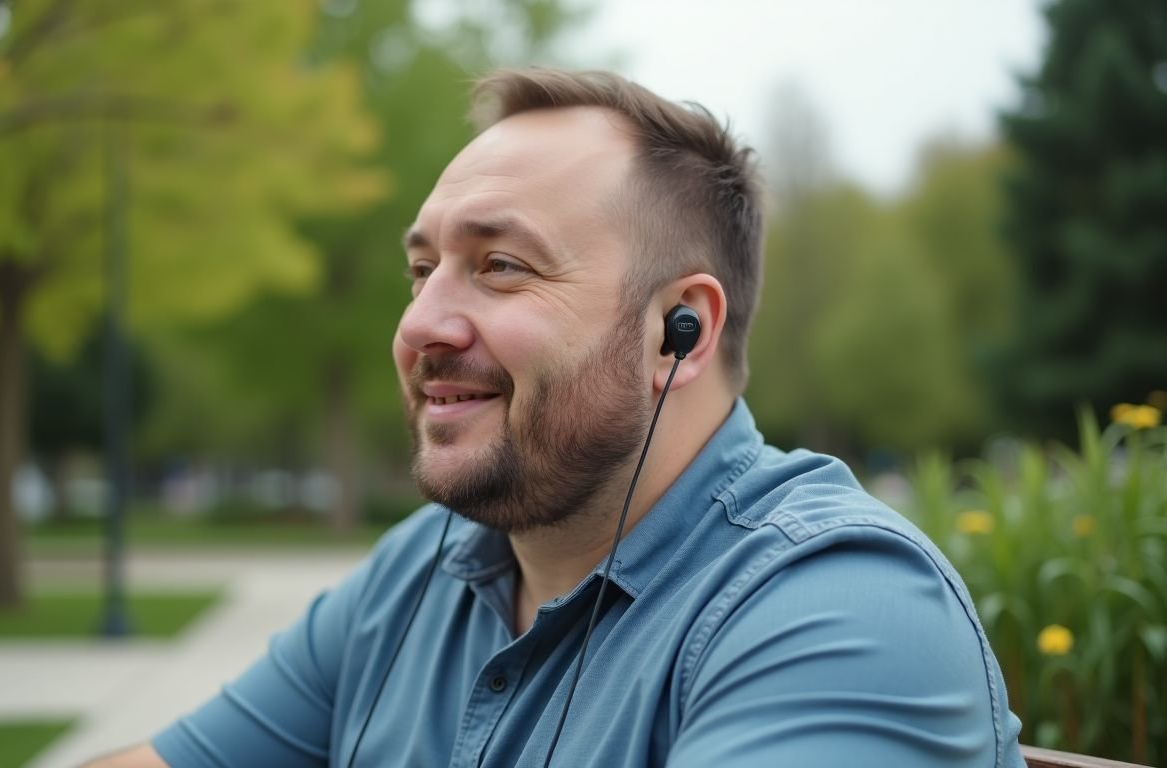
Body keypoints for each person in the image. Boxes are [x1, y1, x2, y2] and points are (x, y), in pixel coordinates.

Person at [89, 68, 1025, 767]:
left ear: (678, 334)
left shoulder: (838, 608)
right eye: (423, 271)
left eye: (501, 266)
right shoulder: (418, 572)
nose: (418, 325)